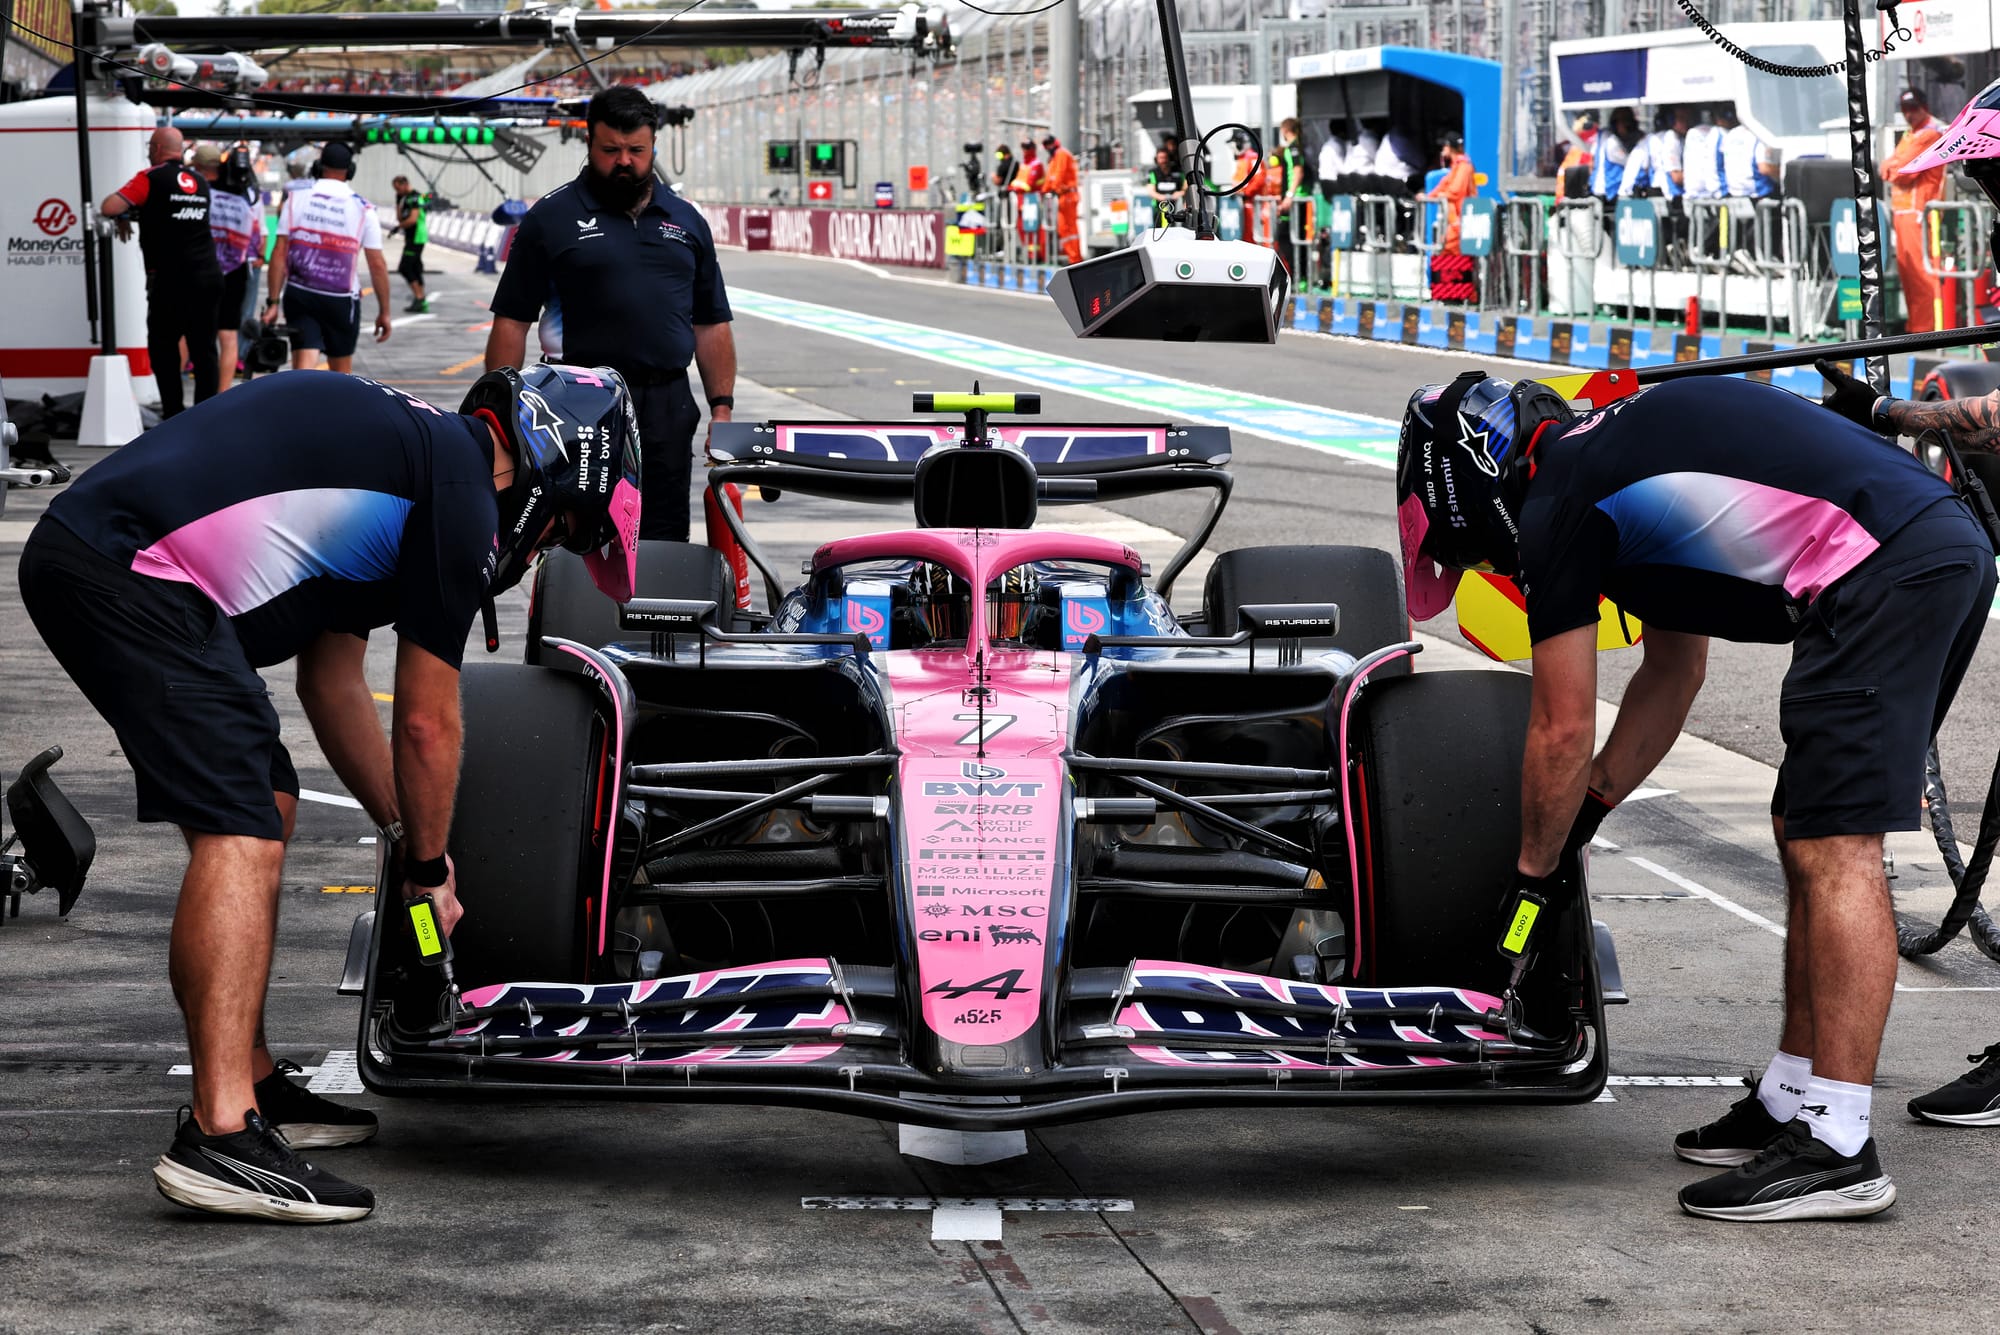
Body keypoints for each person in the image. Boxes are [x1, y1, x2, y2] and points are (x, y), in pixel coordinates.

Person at [17, 363, 642, 1223]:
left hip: (112, 559)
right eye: (566, 531)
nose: (542, 554)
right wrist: (429, 868)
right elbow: (426, 723)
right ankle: (221, 1133)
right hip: (126, 568)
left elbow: (333, 682)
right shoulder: (461, 499)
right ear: (553, 477)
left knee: (267, 801)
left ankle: (251, 1083)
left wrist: (403, 833)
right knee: (242, 827)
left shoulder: (422, 465)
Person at [1396, 368, 1994, 1221]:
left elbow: (1560, 728)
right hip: (1922, 553)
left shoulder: (1559, 502)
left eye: (1473, 555)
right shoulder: (1610, 455)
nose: (1493, 566)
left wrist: (1532, 873)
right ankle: (1795, 1095)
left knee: (1836, 844)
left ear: (1469, 496)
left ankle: (1837, 1145)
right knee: (1802, 823)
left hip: (1886, 568)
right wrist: (1587, 816)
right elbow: (1674, 673)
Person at [485, 85, 735, 544]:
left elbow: (711, 321)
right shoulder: (551, 217)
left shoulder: (687, 220)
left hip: (666, 403)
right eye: (610, 150)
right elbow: (512, 321)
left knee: (662, 535)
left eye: (636, 150)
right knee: (578, 537)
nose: (624, 161)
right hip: (579, 402)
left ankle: (656, 593)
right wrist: (500, 419)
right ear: (589, 143)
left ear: (653, 145)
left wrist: (722, 408)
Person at [100, 127, 222, 419]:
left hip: (171, 279)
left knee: (163, 347)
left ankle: (174, 414)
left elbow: (109, 206)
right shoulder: (199, 181)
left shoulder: (150, 178)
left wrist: (125, 214)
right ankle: (207, 417)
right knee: (204, 350)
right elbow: (171, 213)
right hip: (208, 276)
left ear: (155, 149)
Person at [262, 141, 392, 373]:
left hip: (300, 292)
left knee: (303, 368)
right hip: (340, 299)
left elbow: (279, 252)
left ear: (318, 167)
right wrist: (385, 311)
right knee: (341, 375)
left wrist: (273, 302)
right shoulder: (363, 209)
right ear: (350, 171)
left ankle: (302, 398)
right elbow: (377, 265)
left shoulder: (295, 200)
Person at [196, 144, 261, 394]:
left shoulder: (203, 195)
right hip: (235, 271)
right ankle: (222, 396)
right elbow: (256, 241)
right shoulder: (247, 199)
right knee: (229, 336)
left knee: (195, 334)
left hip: (203, 268)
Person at [1883, 89, 1946, 332]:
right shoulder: (1911, 134)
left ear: (1924, 107)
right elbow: (1886, 167)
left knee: (1921, 274)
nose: (1909, 114)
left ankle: (1925, 328)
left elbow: (1902, 172)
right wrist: (1893, 167)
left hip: (1920, 213)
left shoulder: (1929, 133)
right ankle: (1916, 326)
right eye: (1905, 110)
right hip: (1903, 213)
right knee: (1908, 274)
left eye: (1913, 108)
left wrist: (1893, 167)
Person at [1423, 134, 1478, 303]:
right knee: (1448, 253)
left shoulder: (1464, 167)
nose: (1443, 149)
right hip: (1454, 221)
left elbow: (1456, 191)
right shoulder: (1456, 167)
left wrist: (1439, 196)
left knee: (1454, 253)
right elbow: (1444, 185)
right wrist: (1427, 196)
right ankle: (1450, 294)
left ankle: (1463, 295)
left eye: (1445, 145)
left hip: (1461, 221)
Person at [1718, 105, 1780, 200]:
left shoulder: (1731, 134)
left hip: (1734, 192)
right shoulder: (1760, 134)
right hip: (1757, 194)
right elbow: (1764, 168)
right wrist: (1783, 174)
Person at [1040, 132, 1082, 266]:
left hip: (1068, 195)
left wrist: (1052, 188)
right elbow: (1050, 177)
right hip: (1062, 196)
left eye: (1049, 144)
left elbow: (1059, 175)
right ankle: (1071, 257)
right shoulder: (1054, 158)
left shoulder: (1062, 154)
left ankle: (1075, 259)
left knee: (1070, 229)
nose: (1048, 147)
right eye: (1046, 145)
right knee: (1063, 229)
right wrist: (1044, 190)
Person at [391, 174, 431, 315]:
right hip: (411, 237)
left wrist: (398, 227)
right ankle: (420, 300)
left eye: (398, 189)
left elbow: (413, 219)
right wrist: (398, 202)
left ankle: (420, 298)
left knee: (405, 267)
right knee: (416, 267)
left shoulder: (415, 197)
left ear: (405, 184)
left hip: (417, 236)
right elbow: (400, 218)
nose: (397, 192)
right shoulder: (406, 198)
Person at [1590, 107, 1642, 201]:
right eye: (1625, 122)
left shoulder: (1601, 136)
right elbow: (1632, 163)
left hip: (1599, 189)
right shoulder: (1611, 142)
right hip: (1609, 192)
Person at [1144, 145, 1183, 227]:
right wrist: (1162, 197)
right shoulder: (1153, 173)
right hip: (1159, 207)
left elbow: (1185, 188)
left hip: (1177, 207)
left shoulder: (1177, 172)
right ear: (1156, 159)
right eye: (1161, 158)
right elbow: (1151, 191)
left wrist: (1178, 194)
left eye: (1165, 158)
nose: (1163, 160)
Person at [1317, 119, 1348, 196]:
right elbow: (1343, 169)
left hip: (1326, 182)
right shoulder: (1336, 145)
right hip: (1334, 184)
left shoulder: (1329, 144)